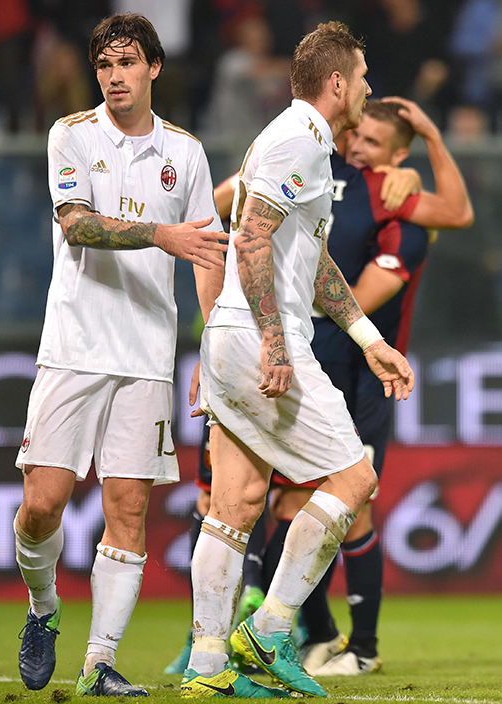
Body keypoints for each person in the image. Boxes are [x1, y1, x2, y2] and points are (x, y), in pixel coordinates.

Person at [181, 21, 415, 699]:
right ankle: (269, 632)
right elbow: (250, 238)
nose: (368, 90)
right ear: (336, 82)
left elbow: (309, 266)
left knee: (236, 502)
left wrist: (371, 344)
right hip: (262, 338)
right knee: (353, 479)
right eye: (364, 78)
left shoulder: (294, 140)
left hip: (235, 334)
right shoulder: (297, 140)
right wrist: (276, 345)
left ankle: (205, 667)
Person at [14, 12, 227, 698]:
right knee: (42, 507)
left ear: (153, 68)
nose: (114, 77)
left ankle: (98, 663)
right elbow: (76, 226)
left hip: (146, 357)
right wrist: (161, 235)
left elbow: (204, 252)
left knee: (128, 510)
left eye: (127, 63)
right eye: (105, 65)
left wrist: (213, 342)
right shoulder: (71, 135)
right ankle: (43, 610)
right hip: (74, 348)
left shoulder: (186, 154)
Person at [261, 96, 474, 678]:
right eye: (357, 138)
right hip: (310, 365)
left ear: (397, 155)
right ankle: (320, 633)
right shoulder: (320, 173)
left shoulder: (390, 197)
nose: (358, 148)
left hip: (360, 376)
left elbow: (457, 213)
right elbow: (236, 193)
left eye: (374, 145)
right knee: (284, 504)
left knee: (351, 509)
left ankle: (364, 646)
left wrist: (431, 138)